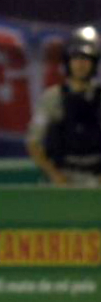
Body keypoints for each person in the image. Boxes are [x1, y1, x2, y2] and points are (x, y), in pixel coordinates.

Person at [27, 26, 101, 187]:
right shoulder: (53, 97)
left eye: (86, 58)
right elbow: (33, 142)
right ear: (68, 62)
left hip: (96, 177)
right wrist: (55, 175)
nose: (81, 64)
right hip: (63, 176)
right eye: (76, 58)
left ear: (94, 63)